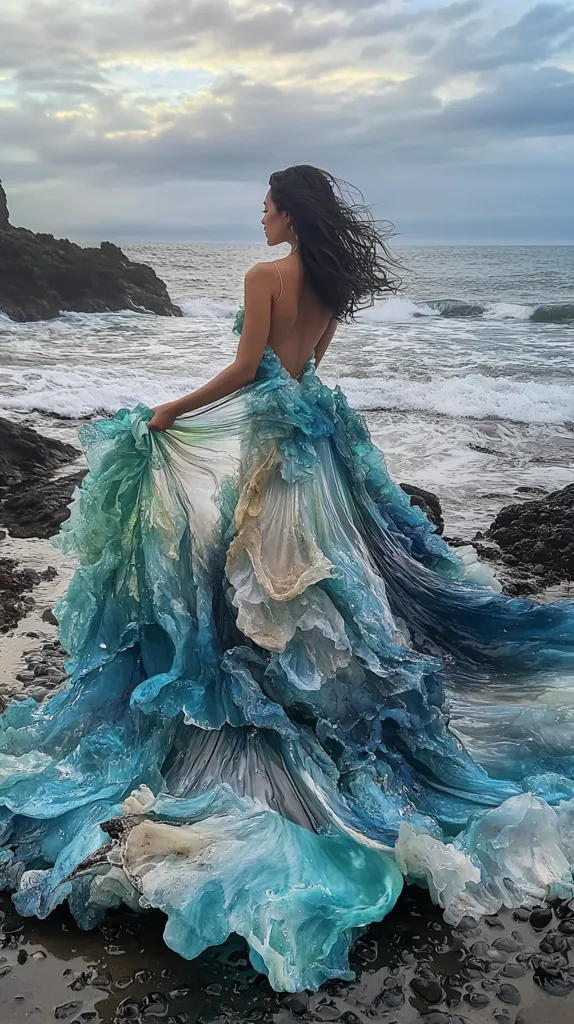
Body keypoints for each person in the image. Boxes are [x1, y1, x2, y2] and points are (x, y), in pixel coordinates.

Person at [1, 165, 574, 995]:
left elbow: (245, 371)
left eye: (268, 203)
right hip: (319, 450)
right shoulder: (333, 283)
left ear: (290, 212)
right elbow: (300, 371)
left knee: (269, 588)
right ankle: (321, 696)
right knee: (318, 591)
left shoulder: (263, 275)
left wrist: (170, 412)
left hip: (275, 452)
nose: (260, 213)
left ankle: (286, 723)